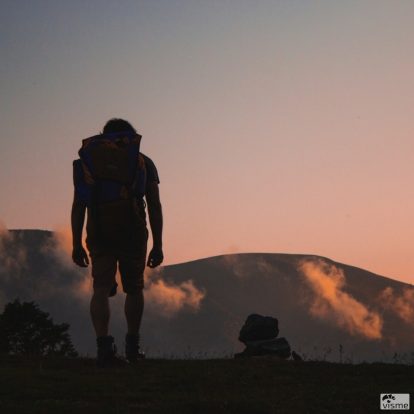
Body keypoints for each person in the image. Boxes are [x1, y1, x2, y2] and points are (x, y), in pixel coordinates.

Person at [71, 118, 163, 366]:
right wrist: (158, 243)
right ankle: (132, 348)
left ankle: (104, 348)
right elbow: (154, 205)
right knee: (134, 288)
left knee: (100, 288)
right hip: (132, 229)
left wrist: (76, 242)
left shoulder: (89, 162)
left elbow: (79, 205)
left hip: (99, 228)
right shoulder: (142, 162)